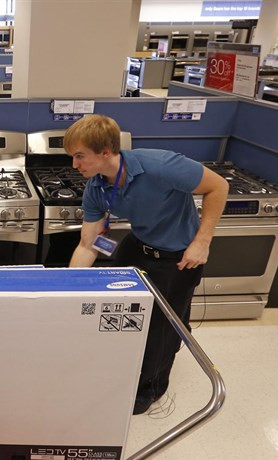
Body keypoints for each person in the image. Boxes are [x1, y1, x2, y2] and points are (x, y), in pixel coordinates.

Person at [64, 114, 228, 415]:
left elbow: (218, 187)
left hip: (176, 256)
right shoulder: (96, 188)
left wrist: (202, 241)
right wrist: (67, 288)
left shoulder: (161, 165)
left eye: (79, 156)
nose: (75, 165)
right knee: (119, 311)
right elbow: (88, 244)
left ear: (105, 152)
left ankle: (150, 387)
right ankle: (131, 362)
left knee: (160, 329)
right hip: (137, 246)